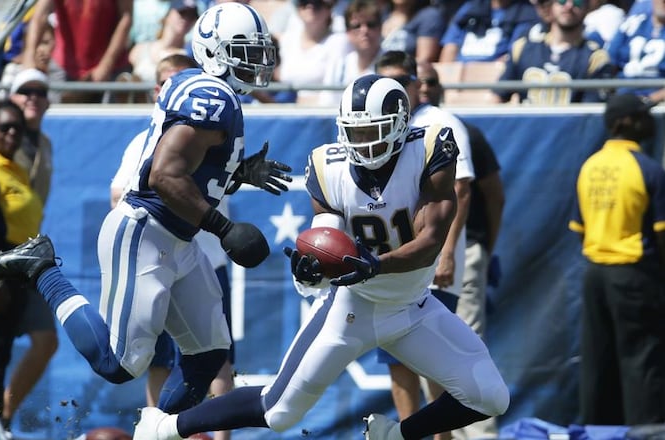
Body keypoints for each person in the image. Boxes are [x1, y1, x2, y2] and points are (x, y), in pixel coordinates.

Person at [132, 73, 509, 440]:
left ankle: (393, 434)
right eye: (354, 132)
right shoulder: (330, 167)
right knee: (279, 411)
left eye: (372, 132)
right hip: (352, 308)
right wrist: (311, 268)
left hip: (412, 306)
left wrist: (377, 265)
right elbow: (325, 238)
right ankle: (163, 427)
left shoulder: (428, 149)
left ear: (399, 125)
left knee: (491, 396)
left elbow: (431, 240)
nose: (362, 144)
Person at [0, 0, 290, 418]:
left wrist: (237, 170)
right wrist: (222, 228)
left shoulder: (214, 93)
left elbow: (190, 168)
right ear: (215, 50)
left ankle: (157, 430)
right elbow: (163, 177)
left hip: (177, 236)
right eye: (245, 49)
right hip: (146, 231)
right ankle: (42, 269)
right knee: (118, 364)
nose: (256, 60)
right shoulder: (213, 98)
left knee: (209, 356)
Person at [110, 53, 235, 440]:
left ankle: (214, 435)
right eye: (168, 82)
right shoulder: (147, 139)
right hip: (159, 252)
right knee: (141, 361)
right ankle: (155, 431)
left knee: (218, 357)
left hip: (204, 257)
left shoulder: (215, 126)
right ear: (159, 90)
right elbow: (129, 190)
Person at [372, 51, 474, 440]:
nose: (392, 89)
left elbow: (461, 190)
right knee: (396, 358)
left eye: (400, 80)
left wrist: (446, 251)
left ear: (417, 85)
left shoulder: (439, 124)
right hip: (392, 262)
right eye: (384, 81)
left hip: (431, 263)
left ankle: (441, 436)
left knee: (436, 358)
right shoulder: (373, 126)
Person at [418, 60, 506, 440]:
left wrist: (478, 248)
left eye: (431, 82)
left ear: (442, 87)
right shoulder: (405, 133)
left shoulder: (460, 129)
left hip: (458, 252)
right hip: (424, 255)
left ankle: (483, 436)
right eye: (417, 82)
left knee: (469, 349)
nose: (424, 89)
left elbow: (487, 194)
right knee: (428, 352)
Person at [569, 93, 665, 426]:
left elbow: (579, 228)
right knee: (642, 358)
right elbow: (661, 233)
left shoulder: (590, 166)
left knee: (598, 359)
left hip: (595, 274)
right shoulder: (648, 169)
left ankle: (597, 431)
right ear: (627, 122)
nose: (649, 121)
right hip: (634, 273)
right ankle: (647, 432)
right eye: (643, 116)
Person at [0, 100, 47, 430]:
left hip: (20, 266)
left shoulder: (11, 165)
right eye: (4, 127)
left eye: (17, 127)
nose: (12, 133)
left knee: (41, 341)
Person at [0, 68, 59, 430]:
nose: (33, 97)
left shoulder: (45, 143)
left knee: (46, 340)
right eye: (25, 91)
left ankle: (3, 414)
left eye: (40, 91)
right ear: (11, 98)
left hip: (27, 255)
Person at [492, 0, 613, 105]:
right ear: (551, 5)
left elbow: (592, 115)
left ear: (587, 7)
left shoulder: (596, 58)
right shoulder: (522, 48)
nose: (569, 5)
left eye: (577, 1)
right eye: (562, 0)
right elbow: (497, 98)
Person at [20, 0, 133, 103]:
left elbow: (126, 17)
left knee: (110, 120)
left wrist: (106, 65)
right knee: (56, 118)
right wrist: (29, 58)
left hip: (112, 67)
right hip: (64, 66)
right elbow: (40, 15)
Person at [317, 0, 385, 106]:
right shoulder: (339, 66)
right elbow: (327, 103)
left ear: (380, 28)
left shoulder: (390, 64)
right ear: (348, 32)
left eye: (371, 24)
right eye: (356, 26)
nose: (364, 30)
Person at [439, 0, 539, 62]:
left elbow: (512, 58)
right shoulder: (470, 8)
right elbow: (450, 49)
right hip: (459, 76)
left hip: (493, 79)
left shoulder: (527, 14)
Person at [605, 0, 665, 104]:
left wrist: (649, 100)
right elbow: (609, 62)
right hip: (621, 99)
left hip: (658, 106)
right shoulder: (633, 24)